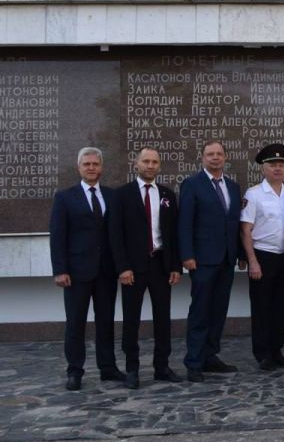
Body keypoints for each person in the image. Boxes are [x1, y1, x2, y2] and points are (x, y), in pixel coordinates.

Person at [109, 148, 183, 389]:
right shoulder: (122, 195)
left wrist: (175, 266)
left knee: (163, 318)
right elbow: (115, 234)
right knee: (131, 319)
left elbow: (173, 233)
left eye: (155, 162)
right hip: (133, 268)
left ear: (159, 166)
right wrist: (122, 267)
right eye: (146, 161)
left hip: (161, 264)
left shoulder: (167, 195)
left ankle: (161, 366)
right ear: (136, 164)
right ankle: (132, 368)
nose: (150, 165)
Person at [49, 147, 122, 391]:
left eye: (95, 164)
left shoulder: (112, 196)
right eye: (87, 164)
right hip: (76, 272)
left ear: (101, 168)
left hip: (106, 272)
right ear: (79, 168)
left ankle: (108, 368)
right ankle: (75, 370)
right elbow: (58, 236)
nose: (91, 168)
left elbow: (116, 234)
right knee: (75, 322)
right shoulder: (65, 197)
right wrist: (60, 269)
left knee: (106, 321)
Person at [178, 139, 243, 383]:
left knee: (218, 310)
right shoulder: (192, 184)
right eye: (210, 154)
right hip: (202, 259)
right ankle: (194, 361)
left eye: (219, 154)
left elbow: (235, 224)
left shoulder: (233, 186)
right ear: (202, 158)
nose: (215, 158)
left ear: (225, 157)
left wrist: (241, 255)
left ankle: (210, 356)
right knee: (201, 310)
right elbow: (184, 222)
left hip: (226, 258)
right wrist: (187, 255)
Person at [241, 143, 284, 371]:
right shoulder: (253, 195)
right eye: (272, 164)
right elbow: (245, 230)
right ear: (263, 168)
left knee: (281, 306)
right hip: (263, 256)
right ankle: (262, 353)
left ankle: (277, 349)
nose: (277, 168)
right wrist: (252, 260)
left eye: (281, 164)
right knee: (262, 307)